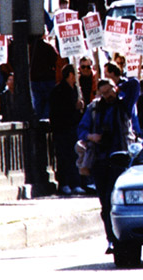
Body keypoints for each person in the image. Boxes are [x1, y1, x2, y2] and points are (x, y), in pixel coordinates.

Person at [77, 76, 140, 253]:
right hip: (100, 160)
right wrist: (91, 137)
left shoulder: (124, 104)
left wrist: (118, 87)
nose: (107, 96)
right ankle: (111, 239)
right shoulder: (94, 108)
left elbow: (134, 84)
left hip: (121, 159)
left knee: (118, 200)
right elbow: (81, 129)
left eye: (109, 91)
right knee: (105, 202)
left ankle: (123, 237)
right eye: (103, 93)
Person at [49, 64, 85, 195]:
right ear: (70, 75)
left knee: (74, 156)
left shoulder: (76, 89)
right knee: (64, 157)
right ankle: (64, 183)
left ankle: (76, 183)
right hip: (62, 129)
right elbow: (57, 111)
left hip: (74, 128)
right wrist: (73, 107)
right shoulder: (58, 90)